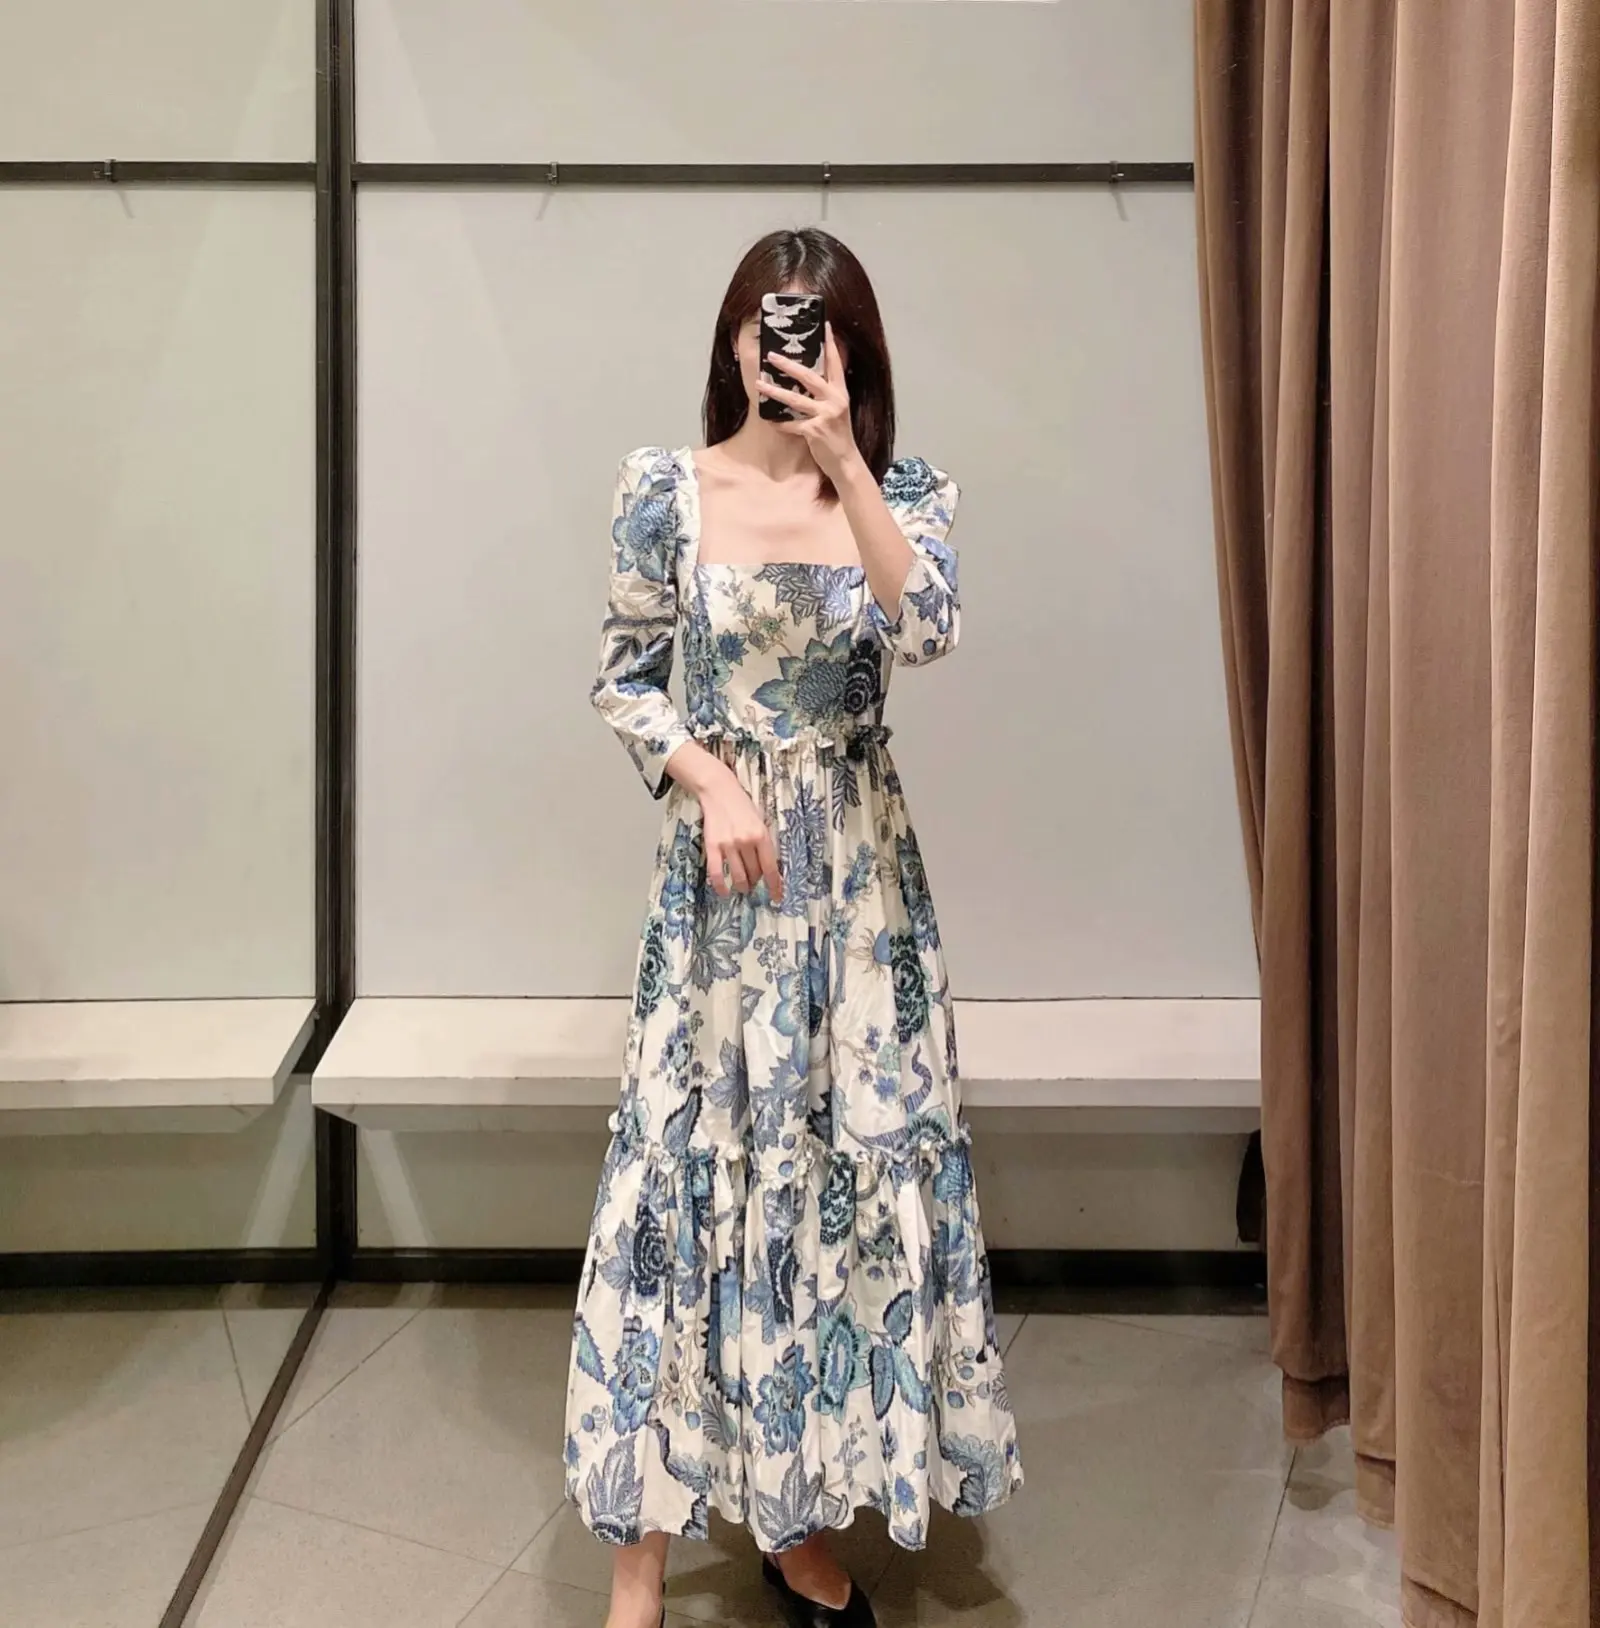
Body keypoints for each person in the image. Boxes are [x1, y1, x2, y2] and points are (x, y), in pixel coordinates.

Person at [565, 227, 1022, 1628]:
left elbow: (928, 628)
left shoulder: (907, 494)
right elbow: (623, 675)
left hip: (859, 898)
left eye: (819, 330)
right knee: (683, 1179)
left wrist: (843, 462)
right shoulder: (666, 490)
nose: (790, 351)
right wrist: (707, 776)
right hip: (720, 901)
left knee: (833, 1190)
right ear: (733, 341)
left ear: (853, 350)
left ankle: (797, 1519)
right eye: (771, 327)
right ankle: (639, 1561)